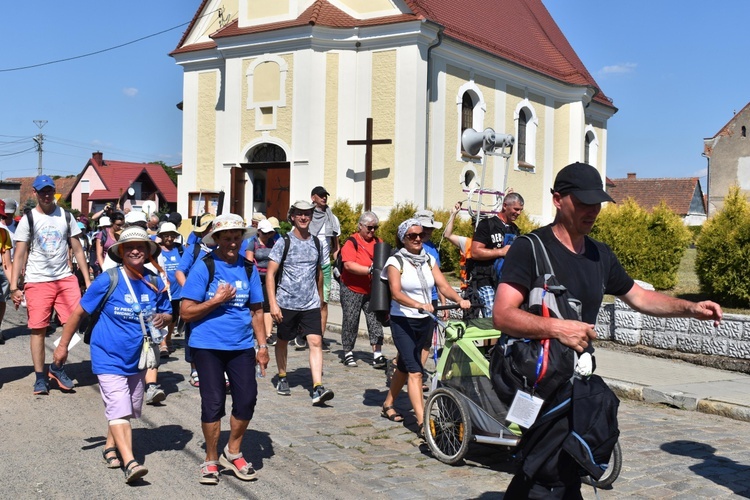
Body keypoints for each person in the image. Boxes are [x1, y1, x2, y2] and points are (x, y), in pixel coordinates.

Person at [494, 162, 723, 498]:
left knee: (561, 470)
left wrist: (689, 308)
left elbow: (640, 297)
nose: (593, 211)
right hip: (538, 381)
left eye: (597, 203)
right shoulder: (530, 248)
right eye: (584, 203)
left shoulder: (600, 254)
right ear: (558, 199)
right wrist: (558, 328)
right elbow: (502, 315)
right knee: (548, 473)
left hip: (577, 384)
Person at [53, 226, 170, 484]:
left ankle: (109, 447)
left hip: (139, 358)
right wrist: (62, 347)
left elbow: (168, 311)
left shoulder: (155, 281)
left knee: (126, 409)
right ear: (122, 253)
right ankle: (130, 462)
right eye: (129, 247)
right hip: (107, 355)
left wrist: (164, 317)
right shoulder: (109, 279)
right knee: (118, 408)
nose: (136, 250)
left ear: (149, 251)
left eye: (140, 246)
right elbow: (78, 313)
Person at [180, 214, 268, 485]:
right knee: (214, 403)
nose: (232, 242)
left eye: (236, 237)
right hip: (207, 346)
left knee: (247, 399)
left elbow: (256, 310)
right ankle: (210, 458)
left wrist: (262, 346)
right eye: (226, 237)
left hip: (241, 346)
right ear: (216, 239)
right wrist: (215, 301)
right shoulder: (204, 267)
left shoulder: (249, 268)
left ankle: (233, 450)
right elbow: (186, 312)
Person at [380, 219, 470, 431]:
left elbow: (443, 284)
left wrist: (459, 300)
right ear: (403, 238)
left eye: (420, 234)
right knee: (416, 371)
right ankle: (423, 423)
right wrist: (418, 304)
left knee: (405, 365)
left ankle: (388, 403)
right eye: (412, 235)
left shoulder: (428, 259)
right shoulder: (395, 262)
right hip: (403, 320)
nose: (418, 238)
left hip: (424, 320)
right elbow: (396, 293)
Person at [10, 175, 91, 395]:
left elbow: (77, 249)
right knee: (38, 329)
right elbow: (18, 255)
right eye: (42, 191)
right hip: (37, 280)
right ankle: (40, 377)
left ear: (54, 192)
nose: (46, 195)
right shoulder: (28, 218)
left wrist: (87, 279)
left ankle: (56, 367)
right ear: (35, 193)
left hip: (65, 278)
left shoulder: (65, 216)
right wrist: (14, 286)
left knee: (77, 321)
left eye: (50, 191)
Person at [266, 200, 333, 405]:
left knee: (315, 341)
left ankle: (317, 386)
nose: (304, 217)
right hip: (286, 302)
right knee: (283, 340)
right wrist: (273, 304)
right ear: (292, 217)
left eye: (307, 214)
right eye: (299, 214)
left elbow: (319, 272)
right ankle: (283, 376)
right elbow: (270, 274)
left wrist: (321, 299)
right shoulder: (283, 242)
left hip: (310, 303)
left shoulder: (316, 243)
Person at [339, 212, 386, 368]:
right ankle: (347, 352)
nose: (372, 231)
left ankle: (377, 354)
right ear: (360, 226)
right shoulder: (352, 242)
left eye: (375, 227)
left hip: (372, 290)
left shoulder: (379, 242)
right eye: (369, 227)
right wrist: (369, 270)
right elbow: (348, 265)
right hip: (352, 288)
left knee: (375, 321)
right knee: (350, 320)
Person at [174, 213, 216, 388]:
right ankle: (195, 369)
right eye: (209, 228)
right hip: (196, 301)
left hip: (217, 300)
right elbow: (179, 271)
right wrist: (190, 291)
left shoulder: (224, 249)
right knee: (194, 332)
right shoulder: (194, 249)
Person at [471, 192, 524, 317]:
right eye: (516, 209)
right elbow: (475, 252)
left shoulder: (515, 230)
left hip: (505, 281)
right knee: (492, 318)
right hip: (485, 280)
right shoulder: (487, 225)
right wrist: (501, 252)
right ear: (505, 206)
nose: (518, 213)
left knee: (505, 319)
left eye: (521, 210)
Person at [308, 186, 341, 352]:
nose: (324, 198)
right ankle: (304, 334)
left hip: (325, 265)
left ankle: (319, 337)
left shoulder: (332, 218)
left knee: (323, 301)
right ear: (313, 197)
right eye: (320, 196)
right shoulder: (306, 216)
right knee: (305, 300)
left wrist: (338, 265)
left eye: (325, 196)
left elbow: (336, 246)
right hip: (307, 265)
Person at [245, 219, 279, 346]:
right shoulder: (252, 243)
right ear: (258, 232)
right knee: (254, 304)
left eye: (269, 233)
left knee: (268, 305)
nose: (267, 235)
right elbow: (248, 262)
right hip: (256, 277)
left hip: (270, 277)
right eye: (264, 233)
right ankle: (252, 330)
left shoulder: (274, 243)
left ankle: (268, 334)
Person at [156, 222, 183, 357]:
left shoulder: (180, 249)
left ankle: (169, 338)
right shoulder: (156, 250)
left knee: (174, 315)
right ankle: (162, 344)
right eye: (167, 236)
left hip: (177, 289)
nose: (170, 239)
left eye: (172, 236)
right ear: (161, 236)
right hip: (162, 289)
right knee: (163, 313)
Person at [0, 201, 12, 345]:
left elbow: (7, 263)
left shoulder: (3, 233)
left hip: (2, 270)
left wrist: (14, 286)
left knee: (2, 300)